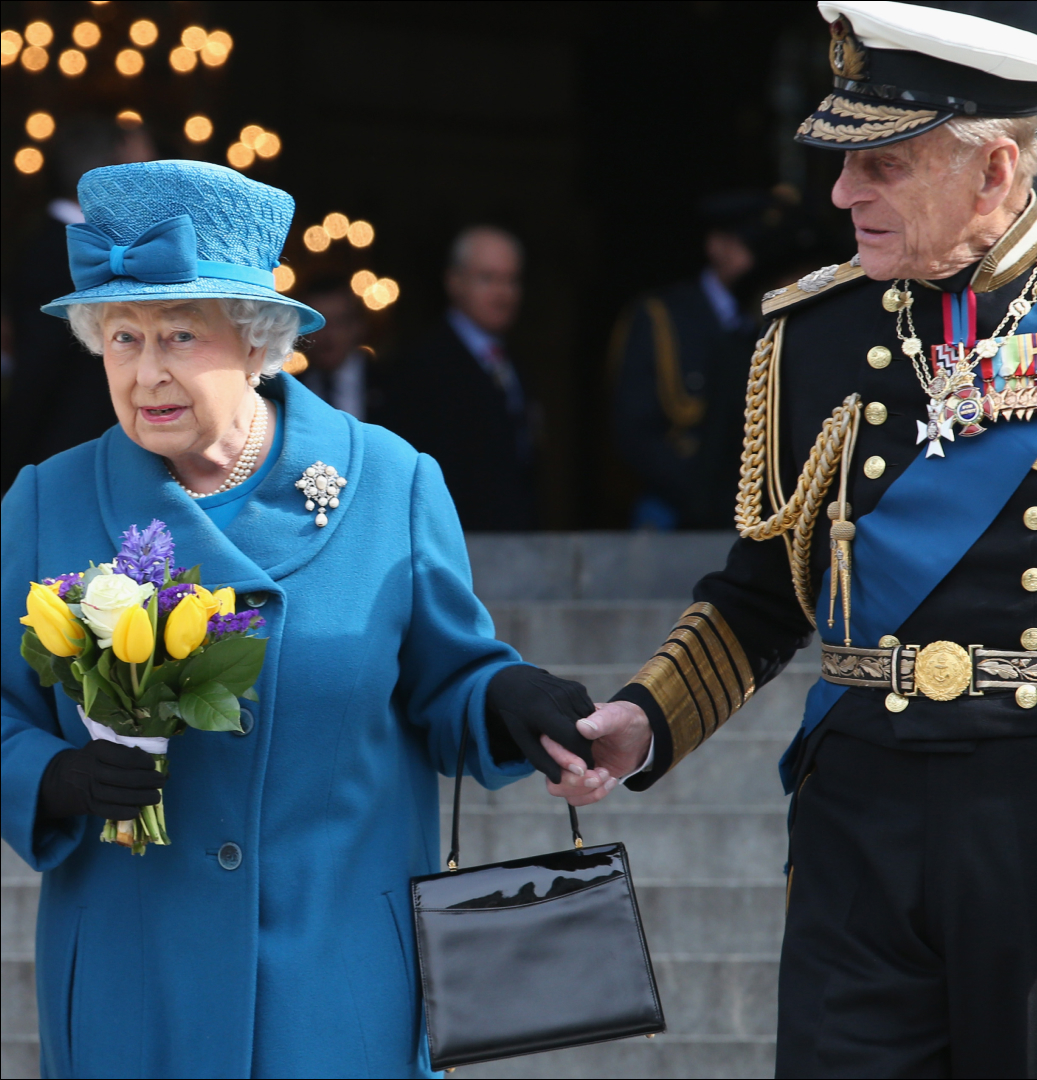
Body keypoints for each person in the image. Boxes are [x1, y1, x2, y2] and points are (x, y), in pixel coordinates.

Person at [545, 4, 1037, 1076]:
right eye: (842, 163)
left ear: (995, 170)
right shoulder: (811, 337)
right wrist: (641, 719)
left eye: (880, 165)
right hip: (859, 820)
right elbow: (764, 596)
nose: (840, 194)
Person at [0, 160, 597, 1079]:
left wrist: (510, 695)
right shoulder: (47, 502)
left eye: (179, 336)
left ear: (255, 341)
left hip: (337, 986)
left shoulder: (391, 482)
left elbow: (452, 683)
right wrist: (59, 775)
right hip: (133, 982)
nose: (146, 372)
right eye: (123, 337)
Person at [610, 191, 788, 529]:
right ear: (717, 245)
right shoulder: (663, 317)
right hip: (676, 506)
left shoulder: (771, 320)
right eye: (749, 244)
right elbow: (635, 432)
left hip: (760, 512)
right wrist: (706, 495)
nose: (762, 257)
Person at [1, 116, 155, 492]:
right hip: (67, 466)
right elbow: (37, 374)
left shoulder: (87, 246)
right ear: (114, 167)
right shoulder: (52, 252)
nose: (152, 179)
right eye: (144, 164)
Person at [384, 226, 536, 530]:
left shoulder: (515, 361)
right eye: (488, 278)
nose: (503, 293)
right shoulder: (422, 366)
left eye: (512, 280)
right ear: (455, 282)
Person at [294, 276, 383, 423]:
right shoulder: (291, 392)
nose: (328, 335)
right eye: (319, 324)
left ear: (358, 326)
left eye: (339, 322)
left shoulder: (398, 385)